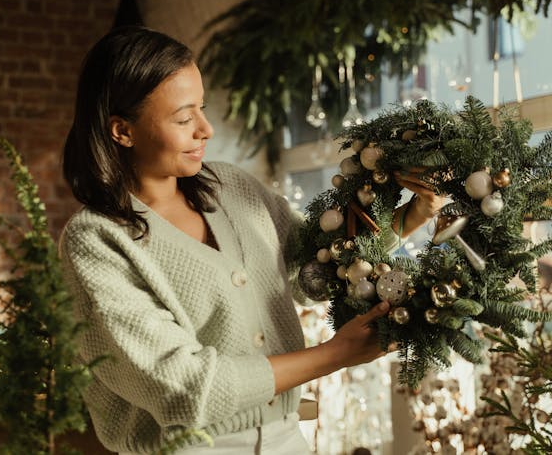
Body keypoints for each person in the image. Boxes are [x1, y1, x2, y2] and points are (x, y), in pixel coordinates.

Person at [59, 26, 441, 454]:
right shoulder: (96, 240)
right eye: (184, 118)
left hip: (286, 438)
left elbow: (314, 267)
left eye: (201, 110)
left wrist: (411, 216)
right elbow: (182, 388)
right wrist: (334, 355)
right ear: (122, 131)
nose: (205, 129)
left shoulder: (231, 188)